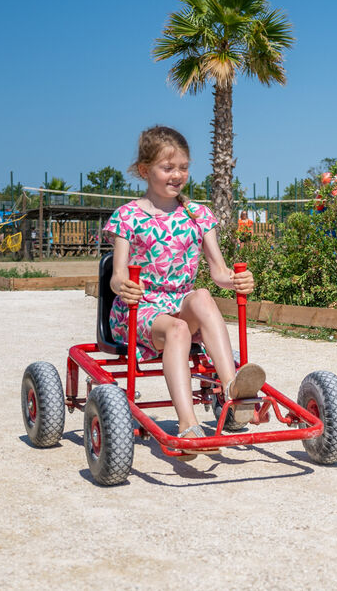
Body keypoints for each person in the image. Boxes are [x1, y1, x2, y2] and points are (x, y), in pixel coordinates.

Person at [104, 125, 265, 459]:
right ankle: (187, 421)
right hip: (141, 309)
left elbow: (218, 271)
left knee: (203, 295)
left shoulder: (197, 214)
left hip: (179, 301)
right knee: (177, 329)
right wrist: (125, 286)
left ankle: (232, 385)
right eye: (168, 168)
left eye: (183, 167)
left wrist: (236, 280)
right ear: (145, 170)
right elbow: (117, 276)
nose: (177, 175)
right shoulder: (128, 216)